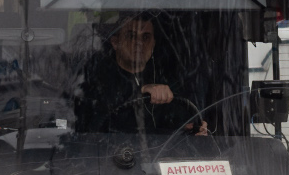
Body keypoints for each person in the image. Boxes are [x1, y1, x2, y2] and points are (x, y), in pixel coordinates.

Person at [75, 13, 206, 135]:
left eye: (146, 37)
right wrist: (139, 91)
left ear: (153, 44)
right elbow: (90, 123)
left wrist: (192, 128)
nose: (139, 43)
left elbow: (178, 119)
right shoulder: (97, 77)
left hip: (155, 156)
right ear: (115, 42)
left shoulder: (165, 80)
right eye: (131, 36)